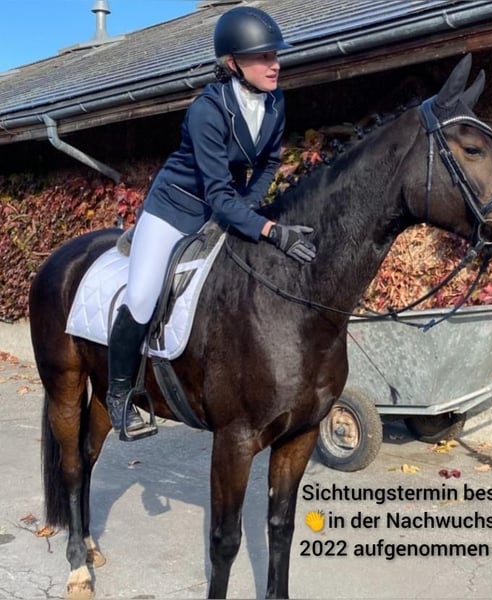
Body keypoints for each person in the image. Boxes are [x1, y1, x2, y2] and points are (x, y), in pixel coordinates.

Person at [106, 6, 316, 438]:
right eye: (263, 57)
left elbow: (268, 163)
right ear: (233, 63)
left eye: (275, 55)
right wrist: (269, 229)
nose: (275, 64)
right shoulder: (207, 109)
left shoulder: (275, 101)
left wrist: (250, 207)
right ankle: (119, 395)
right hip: (174, 209)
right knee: (142, 296)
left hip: (225, 204)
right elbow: (218, 194)